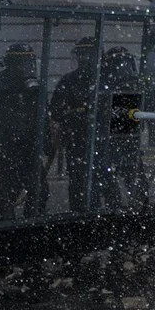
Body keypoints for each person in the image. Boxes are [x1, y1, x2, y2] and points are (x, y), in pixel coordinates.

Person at [0, 44, 48, 221]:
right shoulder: (0, 88)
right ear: (12, 65)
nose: (25, 69)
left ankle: (32, 223)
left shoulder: (34, 89)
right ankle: (5, 228)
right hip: (7, 151)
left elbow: (42, 119)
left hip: (29, 149)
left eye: (27, 64)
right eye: (21, 64)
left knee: (39, 191)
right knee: (5, 195)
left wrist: (46, 142)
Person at [49, 37, 103, 212]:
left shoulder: (103, 80)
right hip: (77, 137)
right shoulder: (70, 80)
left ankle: (91, 213)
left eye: (88, 55)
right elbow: (55, 110)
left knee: (96, 179)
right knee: (79, 179)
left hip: (97, 138)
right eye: (82, 55)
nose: (85, 59)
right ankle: (80, 213)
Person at [99, 46, 149, 210]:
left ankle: (132, 204)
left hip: (125, 136)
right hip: (116, 137)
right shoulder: (117, 86)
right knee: (120, 171)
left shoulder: (127, 85)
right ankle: (126, 205)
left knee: (126, 170)